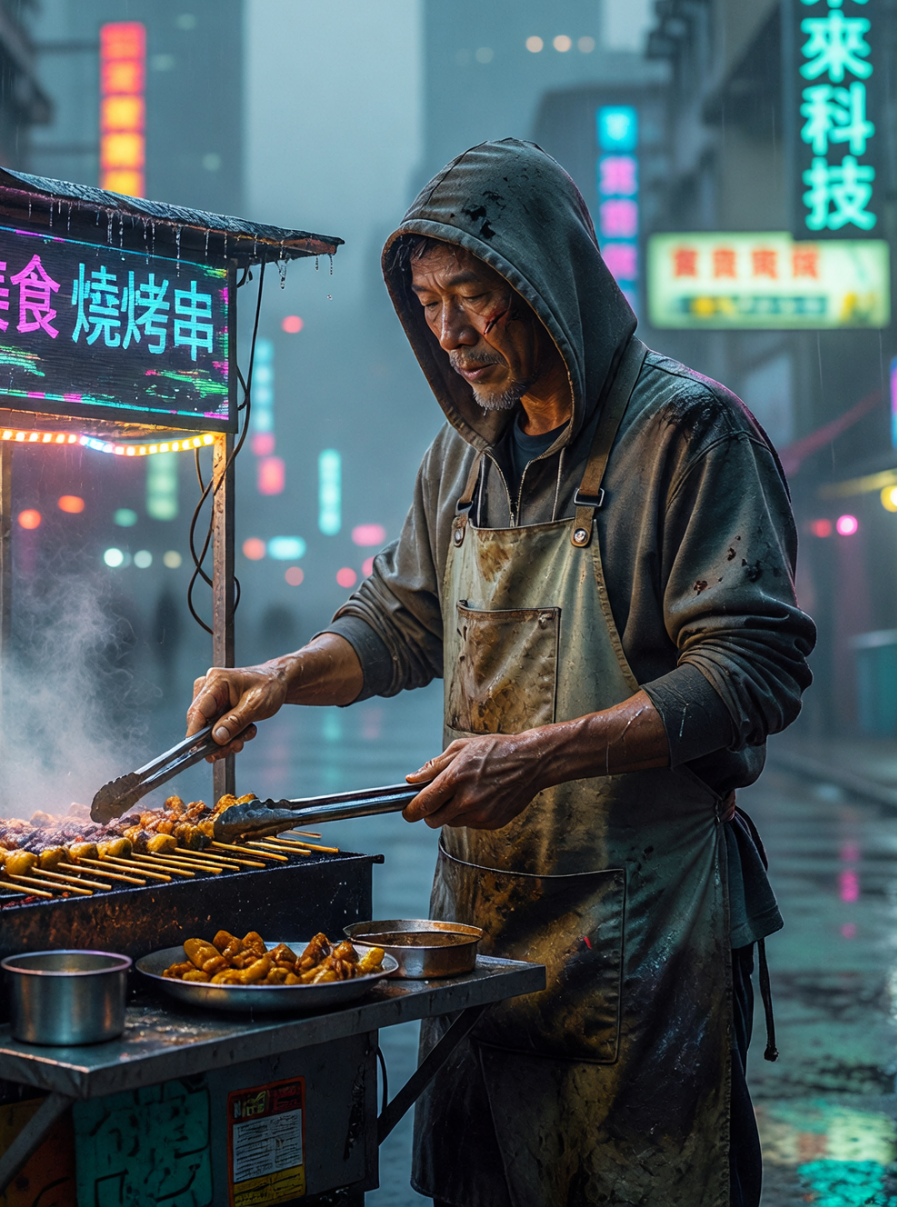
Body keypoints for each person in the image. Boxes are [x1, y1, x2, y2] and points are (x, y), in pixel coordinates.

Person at [186, 138, 812, 1206]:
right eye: (429, 303)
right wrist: (287, 672)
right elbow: (401, 621)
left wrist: (542, 754)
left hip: (639, 929)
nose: (451, 331)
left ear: (546, 280)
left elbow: (754, 668)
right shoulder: (463, 458)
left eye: (475, 295)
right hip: (475, 933)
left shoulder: (687, 434)